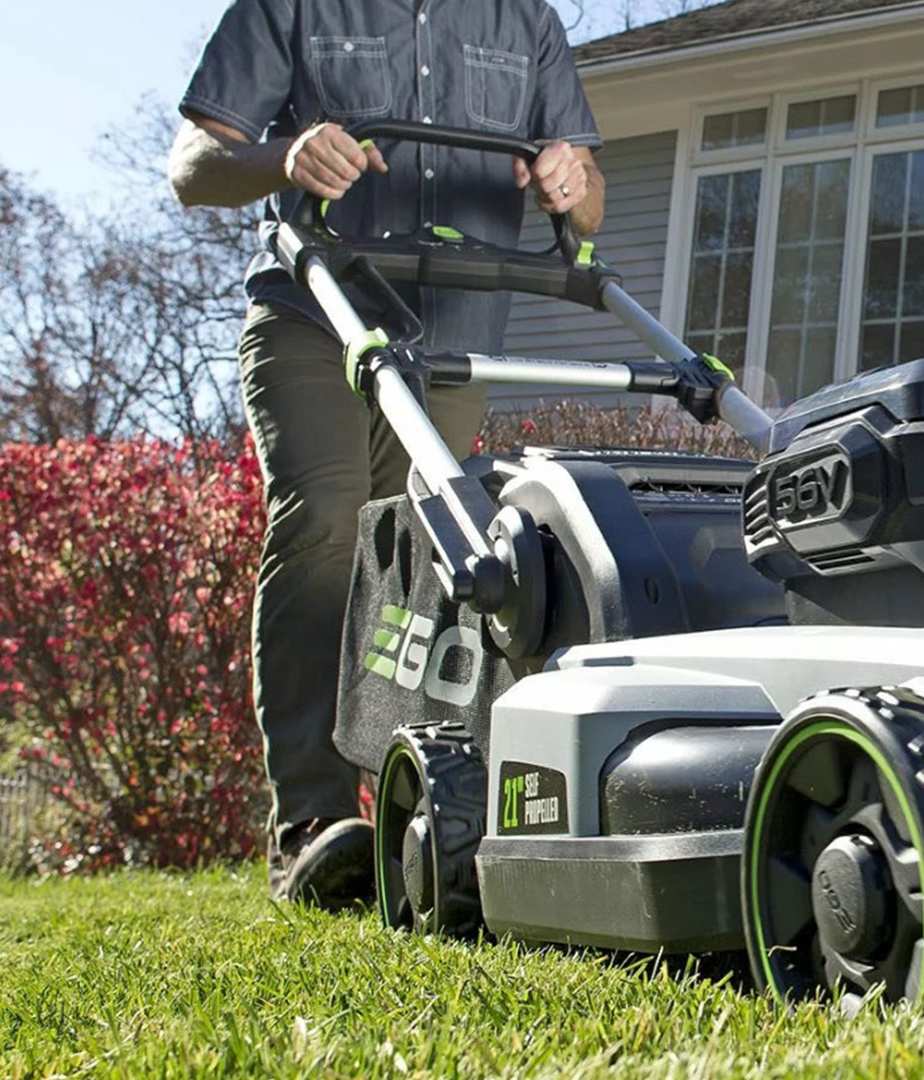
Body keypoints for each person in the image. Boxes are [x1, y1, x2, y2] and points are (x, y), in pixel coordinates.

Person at [167, 0, 606, 908]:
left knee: (427, 566)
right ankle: (313, 826)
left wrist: (573, 180)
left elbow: (588, 194)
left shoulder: (528, 22)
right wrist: (282, 158)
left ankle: (419, 816)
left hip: (451, 338)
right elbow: (193, 167)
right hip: (312, 311)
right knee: (328, 522)